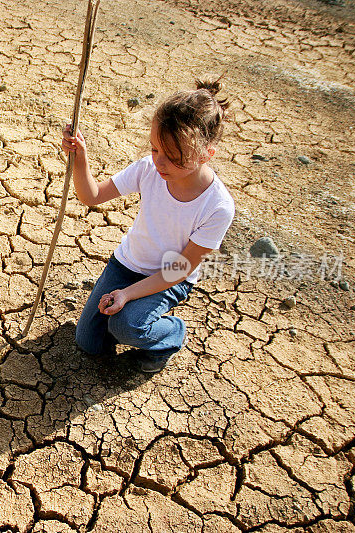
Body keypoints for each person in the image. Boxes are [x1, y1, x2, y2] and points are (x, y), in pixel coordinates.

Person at [62, 77, 235, 373]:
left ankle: (172, 335)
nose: (160, 162)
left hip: (168, 278)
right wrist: (80, 158)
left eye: (174, 158)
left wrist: (128, 295)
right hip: (126, 264)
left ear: (207, 154)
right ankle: (127, 319)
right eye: (155, 150)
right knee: (89, 343)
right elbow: (91, 196)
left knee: (126, 324)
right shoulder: (149, 168)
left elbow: (181, 268)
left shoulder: (218, 207)